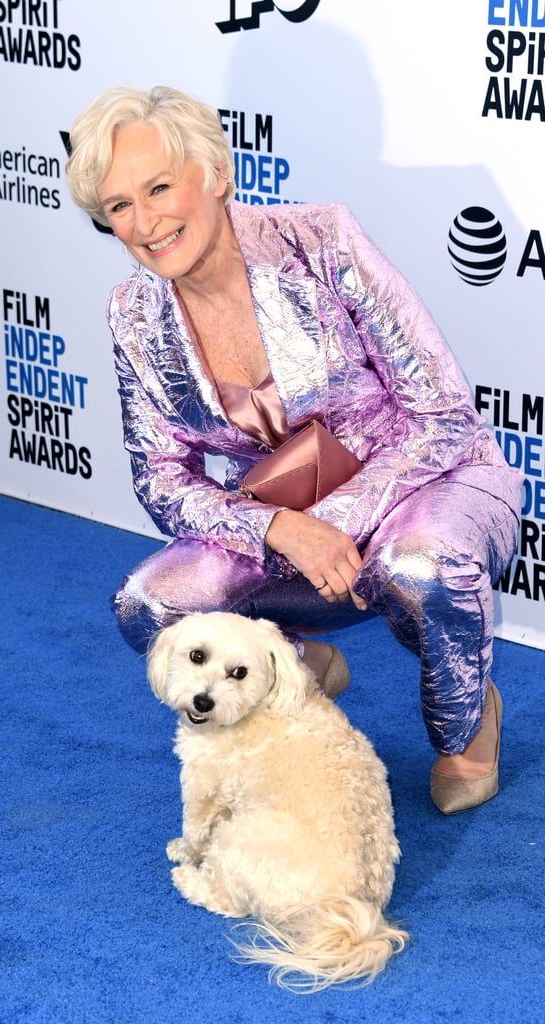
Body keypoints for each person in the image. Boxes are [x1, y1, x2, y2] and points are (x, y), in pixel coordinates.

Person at [65, 85, 523, 815]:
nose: (144, 223)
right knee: (150, 606)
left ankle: (467, 726)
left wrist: (333, 521)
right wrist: (280, 527)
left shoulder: (321, 240)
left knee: (422, 568)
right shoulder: (133, 313)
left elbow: (439, 412)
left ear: (214, 173)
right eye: (118, 206)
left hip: (429, 478)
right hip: (286, 521)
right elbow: (158, 476)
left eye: (158, 187)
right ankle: (297, 668)